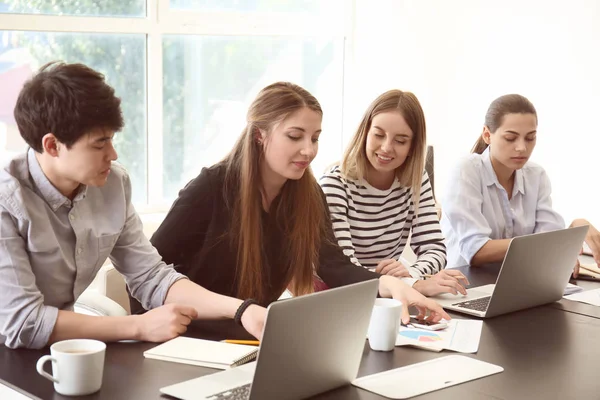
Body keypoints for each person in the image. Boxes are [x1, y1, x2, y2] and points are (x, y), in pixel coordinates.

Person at [0, 61, 266, 349]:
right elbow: (23, 322)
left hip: (63, 352)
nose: (112, 154)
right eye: (99, 145)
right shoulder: (7, 201)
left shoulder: (112, 184)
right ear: (52, 146)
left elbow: (150, 276)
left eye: (112, 140)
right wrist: (138, 325)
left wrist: (242, 310)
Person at [145, 82, 450, 323]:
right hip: (194, 336)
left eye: (315, 138)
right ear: (260, 134)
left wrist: (393, 285)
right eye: (295, 136)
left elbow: (334, 266)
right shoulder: (211, 188)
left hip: (254, 335)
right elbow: (149, 274)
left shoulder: (306, 196)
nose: (308, 150)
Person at [320, 89, 468, 297]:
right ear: (365, 134)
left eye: (400, 141)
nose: (386, 147)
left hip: (389, 295)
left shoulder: (416, 180)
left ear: (412, 147)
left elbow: (434, 248)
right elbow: (344, 271)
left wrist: (411, 272)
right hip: (344, 295)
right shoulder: (334, 184)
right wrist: (408, 284)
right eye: (378, 135)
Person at [440, 93, 600, 274]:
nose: (522, 147)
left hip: (519, 282)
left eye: (530, 138)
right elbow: (476, 250)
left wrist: (574, 230)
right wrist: (555, 242)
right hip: (466, 286)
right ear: (487, 135)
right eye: (510, 138)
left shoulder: (536, 175)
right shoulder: (466, 170)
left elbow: (549, 239)